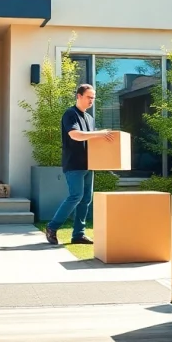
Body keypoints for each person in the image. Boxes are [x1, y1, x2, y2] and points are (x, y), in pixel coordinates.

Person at [44, 84, 114, 245]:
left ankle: (78, 235)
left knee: (85, 199)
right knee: (76, 196)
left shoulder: (89, 118)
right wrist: (99, 133)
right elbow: (75, 135)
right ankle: (52, 227)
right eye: (89, 97)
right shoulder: (70, 114)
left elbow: (93, 141)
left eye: (93, 98)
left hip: (89, 164)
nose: (92, 101)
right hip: (74, 164)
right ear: (79, 96)